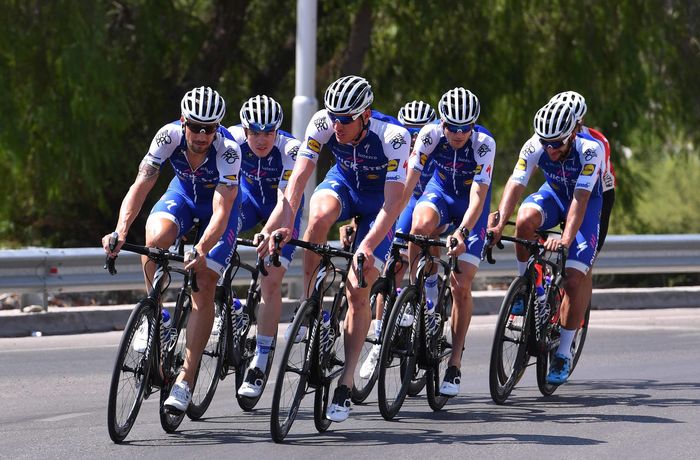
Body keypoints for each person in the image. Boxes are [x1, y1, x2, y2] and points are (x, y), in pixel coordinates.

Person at [258, 75, 410, 422]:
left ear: (365, 115)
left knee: (359, 288)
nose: (337, 126)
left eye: (346, 120)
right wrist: (285, 221)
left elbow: (393, 204)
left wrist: (367, 246)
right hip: (343, 182)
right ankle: (311, 304)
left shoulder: (394, 137)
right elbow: (298, 179)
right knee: (316, 220)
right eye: (333, 118)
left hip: (379, 205)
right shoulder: (323, 122)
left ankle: (345, 379)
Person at [102, 86, 242, 412]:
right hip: (182, 196)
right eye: (195, 126)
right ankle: (156, 316)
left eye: (210, 128)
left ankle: (185, 380)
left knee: (205, 282)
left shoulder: (228, 151)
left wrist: (201, 247)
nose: (202, 134)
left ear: (218, 127)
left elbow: (222, 212)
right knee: (153, 244)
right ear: (184, 121)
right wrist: (121, 230)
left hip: (218, 211)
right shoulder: (168, 137)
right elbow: (142, 183)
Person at [487, 98, 604, 385]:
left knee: (575, 277)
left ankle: (563, 351)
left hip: (584, 203)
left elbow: (581, 198)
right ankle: (527, 287)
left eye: (557, 144)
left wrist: (564, 240)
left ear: (572, 134)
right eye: (546, 143)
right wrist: (500, 222)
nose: (551, 149)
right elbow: (516, 183)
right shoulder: (535, 144)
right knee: (525, 219)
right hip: (553, 193)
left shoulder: (591, 149)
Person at [401, 87, 495, 397]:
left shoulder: (484, 144)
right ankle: (420, 295)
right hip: (440, 190)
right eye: (452, 127)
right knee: (419, 224)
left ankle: (454, 363)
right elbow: (408, 183)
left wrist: (463, 232)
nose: (457, 133)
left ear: (473, 125)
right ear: (442, 124)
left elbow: (478, 198)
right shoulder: (429, 135)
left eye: (464, 127)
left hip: (470, 205)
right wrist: (387, 221)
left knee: (460, 284)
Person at [226, 95, 303, 397]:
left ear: (277, 131)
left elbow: (286, 200)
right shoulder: (230, 140)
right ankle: (224, 303)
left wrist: (269, 231)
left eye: (268, 132)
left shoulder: (290, 150)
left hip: (282, 209)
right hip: (248, 200)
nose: (261, 140)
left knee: (270, 281)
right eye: (255, 132)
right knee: (219, 231)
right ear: (244, 130)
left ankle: (260, 359)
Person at [358, 99, 437, 379]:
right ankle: (379, 339)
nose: (414, 138)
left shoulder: (436, 148)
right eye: (409, 131)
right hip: (405, 203)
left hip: (432, 204)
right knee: (392, 263)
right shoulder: (395, 147)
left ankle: (429, 299)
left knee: (427, 243)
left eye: (419, 132)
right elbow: (382, 196)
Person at [549, 91, 616, 314]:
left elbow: (587, 192)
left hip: (597, 193)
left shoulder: (596, 142)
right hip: (565, 189)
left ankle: (574, 319)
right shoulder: (552, 136)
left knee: (583, 264)